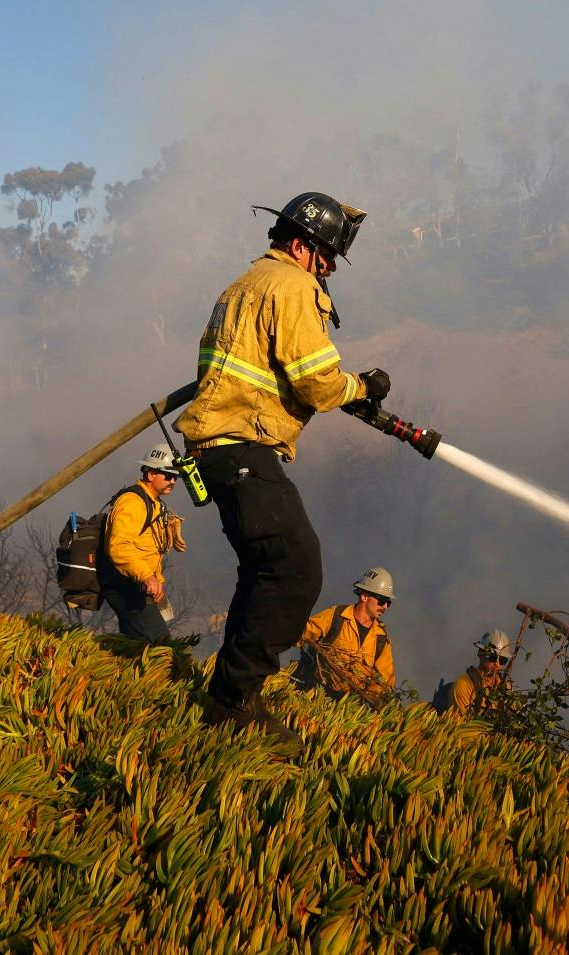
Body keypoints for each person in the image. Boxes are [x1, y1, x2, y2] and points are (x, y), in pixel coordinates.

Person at [176, 191, 391, 739]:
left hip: (219, 450)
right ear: (302, 245)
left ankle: (228, 696)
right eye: (327, 257)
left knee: (264, 569)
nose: (330, 270)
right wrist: (362, 386)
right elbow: (317, 380)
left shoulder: (242, 287)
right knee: (297, 566)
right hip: (242, 445)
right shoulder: (293, 286)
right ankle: (231, 704)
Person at [99, 446, 188, 643]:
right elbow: (119, 547)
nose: (172, 481)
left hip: (138, 585)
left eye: (176, 477)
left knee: (137, 646)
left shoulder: (153, 503)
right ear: (150, 474)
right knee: (159, 645)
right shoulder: (133, 503)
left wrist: (156, 582)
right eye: (167, 475)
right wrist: (148, 578)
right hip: (126, 585)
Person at [293, 567, 397, 706]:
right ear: (364, 596)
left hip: (349, 707)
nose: (384, 607)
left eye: (388, 602)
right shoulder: (336, 617)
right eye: (381, 600)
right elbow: (301, 633)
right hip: (315, 698)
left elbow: (384, 682)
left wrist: (371, 701)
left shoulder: (381, 639)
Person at [434, 629, 513, 718]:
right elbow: (464, 728)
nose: (497, 664)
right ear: (480, 654)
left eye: (502, 660)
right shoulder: (463, 685)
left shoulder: (506, 688)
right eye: (493, 658)